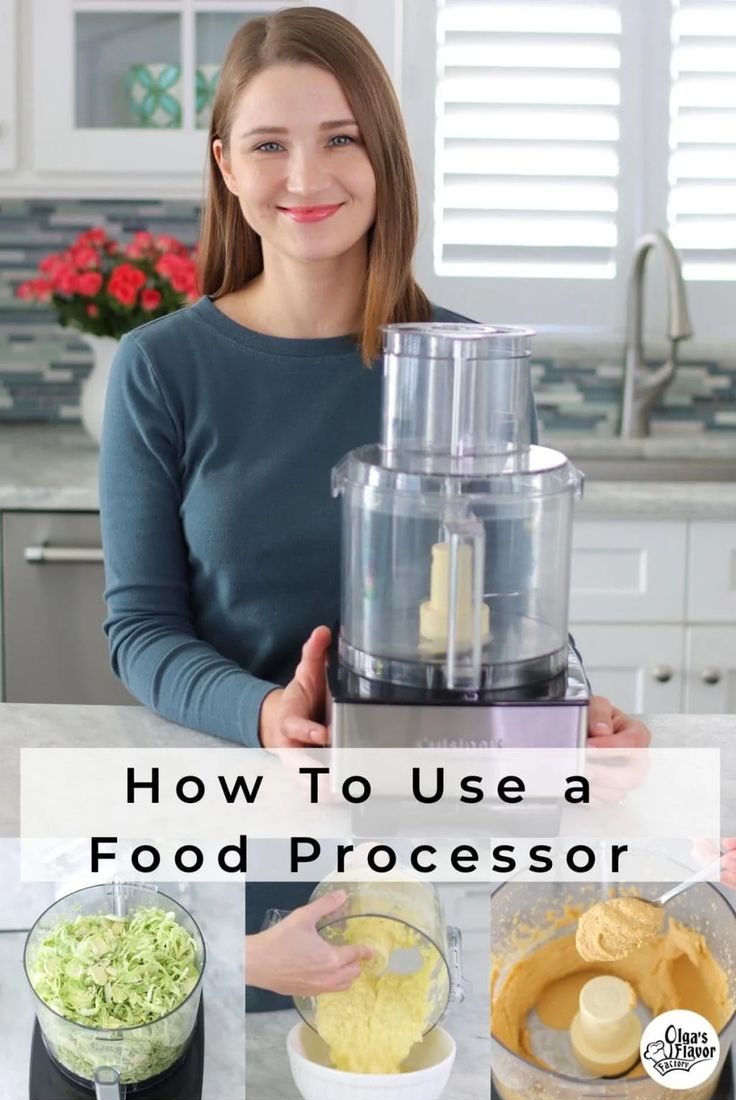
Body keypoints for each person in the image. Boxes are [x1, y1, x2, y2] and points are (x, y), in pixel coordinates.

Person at [99, 5, 649, 755]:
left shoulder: (471, 363)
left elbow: (512, 612)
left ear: (383, 154)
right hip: (239, 790)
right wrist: (264, 715)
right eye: (269, 145)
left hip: (444, 783)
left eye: (340, 138)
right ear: (227, 166)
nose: (305, 176)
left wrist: (568, 701)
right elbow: (142, 629)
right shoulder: (160, 368)